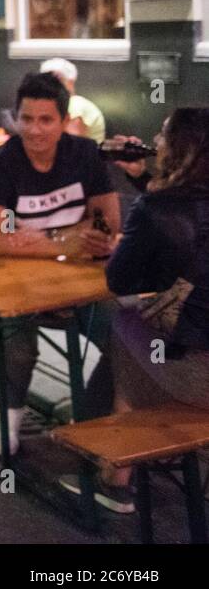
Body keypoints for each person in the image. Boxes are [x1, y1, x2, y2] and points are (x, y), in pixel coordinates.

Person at [49, 108, 209, 509]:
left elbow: (119, 281)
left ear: (177, 151)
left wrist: (126, 244)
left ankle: (115, 477)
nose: (155, 140)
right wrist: (143, 178)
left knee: (125, 323)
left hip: (199, 380)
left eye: (163, 135)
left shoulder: (154, 210)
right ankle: (93, 427)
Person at [0, 72, 120, 462]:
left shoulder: (86, 154)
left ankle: (89, 415)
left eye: (46, 120)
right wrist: (66, 240)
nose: (35, 129)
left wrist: (37, 237)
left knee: (125, 335)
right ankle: (9, 418)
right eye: (27, 119)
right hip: (14, 285)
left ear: (64, 121)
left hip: (78, 284)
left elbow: (107, 224)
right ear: (16, 118)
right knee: (20, 350)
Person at [40, 58, 106, 144]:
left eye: (57, 79)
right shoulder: (61, 104)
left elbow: (70, 144)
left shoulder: (74, 105)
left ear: (71, 81)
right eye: (46, 80)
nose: (50, 85)